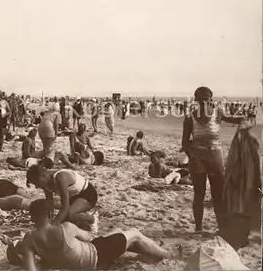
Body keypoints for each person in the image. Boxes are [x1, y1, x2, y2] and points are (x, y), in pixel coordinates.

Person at [15, 199, 175, 270]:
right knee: (135, 233)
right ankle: (168, 254)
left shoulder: (29, 239)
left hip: (77, 263)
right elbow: (90, 238)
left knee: (118, 233)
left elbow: (31, 269)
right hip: (98, 258)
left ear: (32, 217)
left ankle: (150, 253)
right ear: (50, 215)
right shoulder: (66, 228)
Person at [182, 86, 245, 233]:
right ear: (196, 101)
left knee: (218, 194)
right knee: (199, 193)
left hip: (216, 157)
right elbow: (185, 142)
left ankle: (222, 227)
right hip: (198, 158)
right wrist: (192, 157)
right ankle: (198, 227)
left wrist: (247, 121)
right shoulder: (189, 118)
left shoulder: (218, 114)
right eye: (201, 100)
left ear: (211, 100)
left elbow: (235, 120)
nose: (204, 102)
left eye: (207, 99)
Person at [26, 165, 98, 231]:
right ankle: (80, 214)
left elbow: (65, 207)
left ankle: (92, 218)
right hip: (73, 196)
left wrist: (52, 226)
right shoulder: (45, 183)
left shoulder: (60, 178)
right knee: (64, 223)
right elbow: (50, 203)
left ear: (43, 176)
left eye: (36, 183)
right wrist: (49, 221)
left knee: (70, 215)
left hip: (87, 194)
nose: (36, 187)